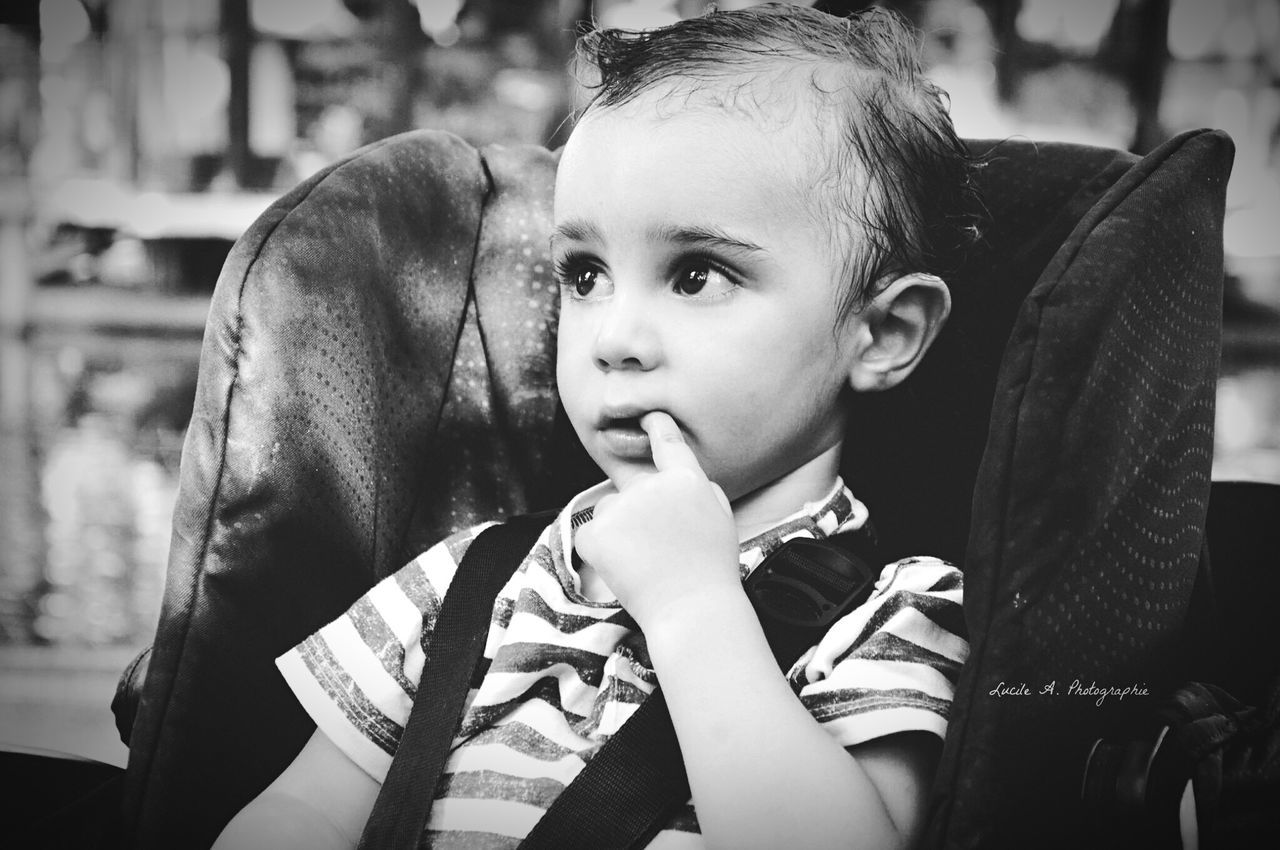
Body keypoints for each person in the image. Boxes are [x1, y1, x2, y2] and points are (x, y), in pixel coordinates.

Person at [213, 4, 980, 848]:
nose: (613, 339)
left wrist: (695, 607)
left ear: (884, 333)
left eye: (696, 274)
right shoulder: (474, 580)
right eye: (585, 275)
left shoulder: (896, 615)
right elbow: (307, 810)